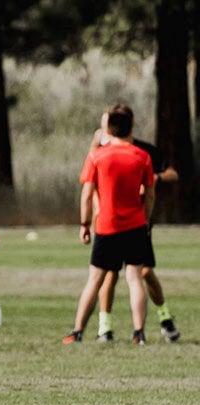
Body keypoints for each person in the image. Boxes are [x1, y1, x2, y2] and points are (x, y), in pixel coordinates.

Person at [63, 104, 154, 345]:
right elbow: (151, 194)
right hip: (135, 224)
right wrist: (144, 219)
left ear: (108, 128)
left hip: (106, 226)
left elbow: (86, 194)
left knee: (95, 279)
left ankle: (78, 331)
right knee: (134, 278)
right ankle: (138, 333)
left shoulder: (96, 156)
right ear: (131, 126)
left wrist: (84, 224)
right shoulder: (142, 156)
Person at [88, 113, 180, 342]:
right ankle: (104, 327)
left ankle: (164, 318)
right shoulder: (99, 151)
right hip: (109, 222)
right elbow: (92, 187)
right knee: (108, 274)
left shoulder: (142, 152)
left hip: (136, 221)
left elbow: (172, 174)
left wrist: (153, 178)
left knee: (144, 272)